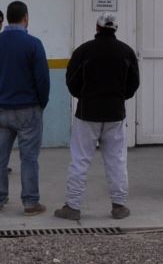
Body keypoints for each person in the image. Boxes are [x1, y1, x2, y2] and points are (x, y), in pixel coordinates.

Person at [56, 13, 140, 223]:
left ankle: (73, 206)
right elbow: (133, 84)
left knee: (80, 160)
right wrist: (119, 98)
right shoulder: (126, 52)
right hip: (116, 114)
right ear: (116, 28)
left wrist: (83, 96)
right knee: (117, 160)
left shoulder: (84, 51)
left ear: (97, 27)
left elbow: (71, 81)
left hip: (87, 113)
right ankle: (119, 206)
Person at [0, 0, 50, 215]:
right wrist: (41, 104)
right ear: (25, 17)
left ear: (8, 18)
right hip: (28, 108)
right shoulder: (33, 44)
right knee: (29, 158)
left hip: (0, 109)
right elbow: (42, 79)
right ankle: (30, 203)